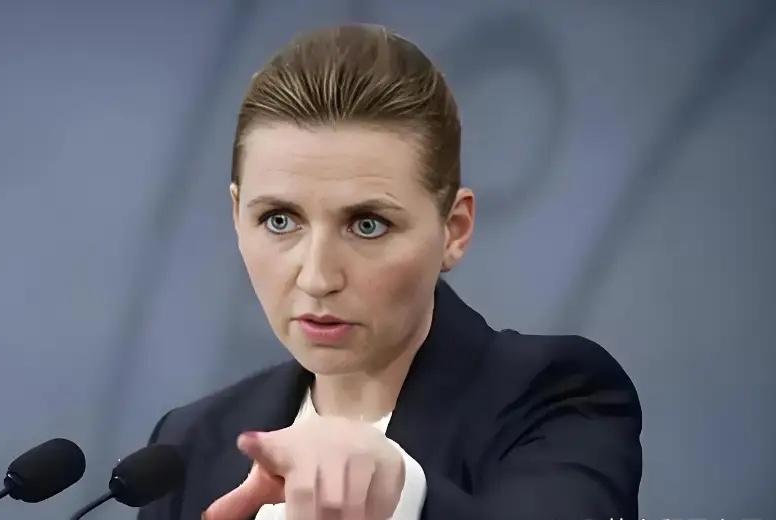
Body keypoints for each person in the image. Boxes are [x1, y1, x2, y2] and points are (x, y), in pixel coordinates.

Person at [138, 24, 642, 520]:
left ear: (454, 229)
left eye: (368, 225)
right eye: (279, 220)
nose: (317, 278)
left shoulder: (558, 398)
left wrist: (402, 497)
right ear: (236, 216)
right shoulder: (189, 445)